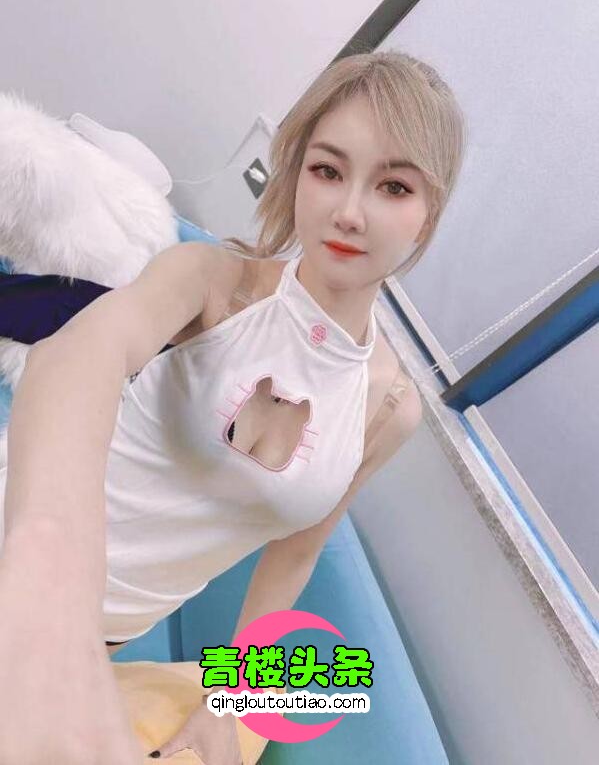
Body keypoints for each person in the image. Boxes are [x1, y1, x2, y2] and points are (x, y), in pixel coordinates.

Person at [0, 49, 466, 764]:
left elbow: (294, 555)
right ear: (297, 174)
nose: (349, 211)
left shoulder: (389, 408)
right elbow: (76, 357)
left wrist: (228, 703)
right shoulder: (213, 281)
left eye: (393, 186)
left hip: (100, 641)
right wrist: (50, 575)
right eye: (327, 170)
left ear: (427, 214)